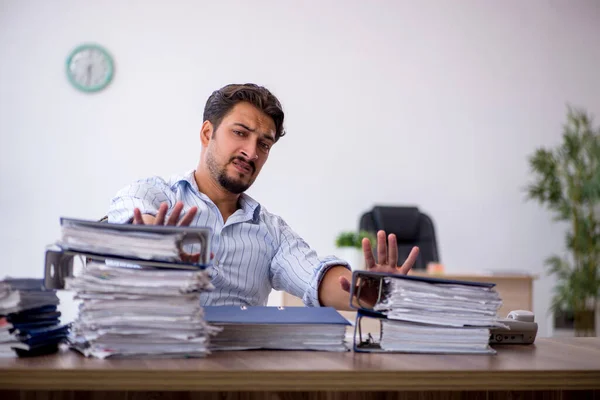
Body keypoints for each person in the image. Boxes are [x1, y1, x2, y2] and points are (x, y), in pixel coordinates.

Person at [107, 83, 419, 310]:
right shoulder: (153, 193)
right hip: (149, 363)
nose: (251, 152)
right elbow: (134, 222)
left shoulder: (271, 232)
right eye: (240, 132)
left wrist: (366, 290)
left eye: (264, 144)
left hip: (237, 372)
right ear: (207, 134)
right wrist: (155, 242)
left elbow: (315, 276)